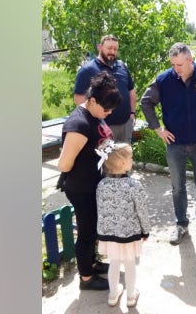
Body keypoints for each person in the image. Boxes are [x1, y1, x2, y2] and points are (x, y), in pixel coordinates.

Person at [140, 42, 196, 247]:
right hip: (175, 145)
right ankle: (181, 224)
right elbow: (146, 102)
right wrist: (158, 129)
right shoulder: (164, 80)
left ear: (190, 60)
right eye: (173, 64)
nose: (176, 69)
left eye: (179, 65)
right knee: (177, 188)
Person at [57, 72, 122, 290]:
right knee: (86, 234)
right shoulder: (79, 124)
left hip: (93, 184)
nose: (109, 113)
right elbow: (64, 165)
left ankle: (92, 263)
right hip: (82, 188)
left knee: (92, 229)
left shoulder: (94, 114)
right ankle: (86, 278)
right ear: (92, 100)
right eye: (106, 110)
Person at [96, 142, 150, 307]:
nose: (132, 160)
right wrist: (145, 230)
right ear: (121, 163)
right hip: (129, 234)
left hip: (109, 235)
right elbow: (142, 210)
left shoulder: (101, 185)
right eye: (131, 158)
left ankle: (113, 295)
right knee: (129, 264)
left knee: (114, 263)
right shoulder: (134, 185)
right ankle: (131, 296)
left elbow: (101, 210)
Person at [74, 34, 137, 143]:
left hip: (125, 124)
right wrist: (93, 122)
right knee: (104, 159)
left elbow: (131, 91)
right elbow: (79, 99)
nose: (112, 52)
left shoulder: (122, 66)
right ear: (100, 47)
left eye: (115, 49)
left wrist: (132, 114)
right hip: (101, 127)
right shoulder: (87, 70)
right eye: (109, 48)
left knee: (123, 158)